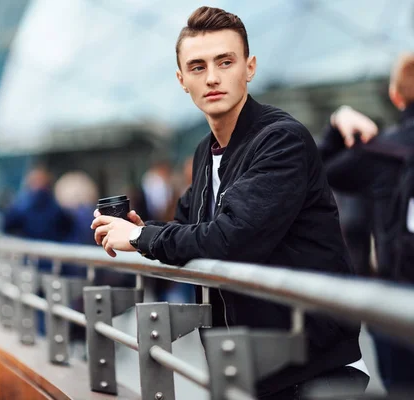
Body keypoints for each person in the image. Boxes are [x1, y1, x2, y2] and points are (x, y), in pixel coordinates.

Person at [91, 6, 367, 399]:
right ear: (181, 79)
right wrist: (137, 228)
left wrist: (141, 238)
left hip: (317, 369)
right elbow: (189, 228)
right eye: (198, 67)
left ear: (249, 67)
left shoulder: (280, 139)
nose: (213, 77)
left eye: (225, 62)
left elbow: (234, 239)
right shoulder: (206, 151)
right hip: (246, 367)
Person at [319, 53, 414, 395]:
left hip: (395, 303)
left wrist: (338, 122)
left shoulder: (382, 152)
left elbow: (313, 170)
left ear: (396, 96)